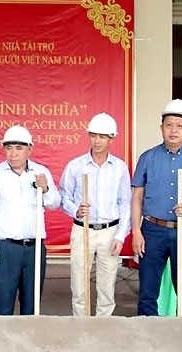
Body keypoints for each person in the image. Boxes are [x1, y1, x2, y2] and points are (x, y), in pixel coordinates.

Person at [132, 99, 182, 316]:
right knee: (148, 291)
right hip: (152, 230)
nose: (173, 130)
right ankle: (147, 339)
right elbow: (137, 197)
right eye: (169, 125)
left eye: (179, 126)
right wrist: (136, 231)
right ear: (161, 128)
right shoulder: (148, 157)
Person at [0, 125, 60, 315]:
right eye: (9, 148)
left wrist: (46, 189)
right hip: (5, 248)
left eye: (19, 148)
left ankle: (28, 342)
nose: (13, 154)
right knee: (2, 302)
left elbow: (55, 203)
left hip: (34, 248)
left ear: (29, 150)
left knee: (32, 303)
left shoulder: (41, 172)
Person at [59, 112, 131, 316]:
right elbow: (63, 194)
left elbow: (125, 202)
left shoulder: (119, 168)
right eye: (93, 135)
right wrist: (75, 209)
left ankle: (103, 329)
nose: (97, 141)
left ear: (111, 138)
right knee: (79, 284)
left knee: (107, 286)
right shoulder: (76, 165)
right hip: (83, 230)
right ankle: (80, 326)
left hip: (109, 230)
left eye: (102, 136)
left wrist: (120, 235)